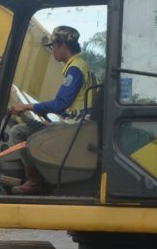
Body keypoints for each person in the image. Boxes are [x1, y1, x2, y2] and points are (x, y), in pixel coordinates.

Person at [6, 25, 96, 195]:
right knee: (32, 126)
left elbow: (60, 103)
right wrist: (44, 112)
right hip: (79, 124)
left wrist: (27, 106)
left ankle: (35, 181)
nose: (52, 51)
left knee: (18, 132)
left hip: (74, 129)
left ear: (63, 46)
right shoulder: (83, 66)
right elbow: (72, 104)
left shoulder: (75, 69)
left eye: (53, 46)